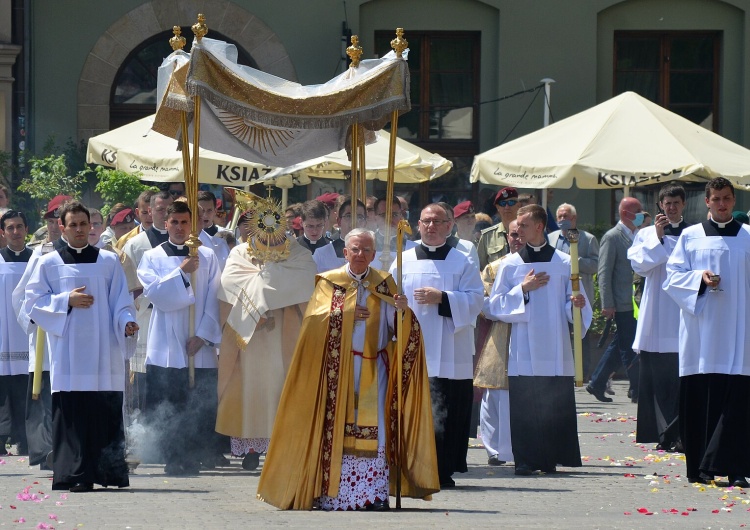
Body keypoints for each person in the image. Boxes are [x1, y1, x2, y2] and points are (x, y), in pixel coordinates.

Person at [257, 228, 439, 510]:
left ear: (374, 255)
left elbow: (399, 331)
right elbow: (313, 323)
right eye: (355, 249)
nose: (360, 255)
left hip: (374, 369)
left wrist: (403, 311)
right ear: (345, 252)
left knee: (375, 427)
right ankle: (334, 494)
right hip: (336, 371)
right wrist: (348, 313)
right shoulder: (330, 282)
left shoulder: (385, 283)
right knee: (336, 427)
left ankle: (373, 494)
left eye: (366, 250)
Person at [24, 200, 138, 492]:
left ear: (91, 227)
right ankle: (76, 474)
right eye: (72, 224)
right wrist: (66, 301)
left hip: (105, 352)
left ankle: (108, 472)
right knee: (73, 414)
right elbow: (33, 304)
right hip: (69, 353)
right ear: (61, 227)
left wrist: (126, 322)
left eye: (83, 224)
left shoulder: (109, 261)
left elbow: (121, 302)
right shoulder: (49, 263)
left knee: (103, 410)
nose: (78, 229)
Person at [488, 205, 591, 475]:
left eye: (523, 225)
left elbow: (574, 304)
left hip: (555, 345)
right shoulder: (511, 264)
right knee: (525, 402)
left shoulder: (564, 262)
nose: (517, 229)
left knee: (554, 401)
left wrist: (577, 304)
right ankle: (526, 459)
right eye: (517, 226)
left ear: (539, 226)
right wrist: (523, 289)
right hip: (522, 345)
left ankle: (551, 458)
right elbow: (495, 305)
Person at [215, 199, 316, 470]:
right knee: (251, 388)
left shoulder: (298, 254)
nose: (270, 237)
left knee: (283, 386)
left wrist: (266, 285)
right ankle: (251, 449)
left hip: (285, 333)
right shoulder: (240, 253)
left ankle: (283, 446)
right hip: (250, 335)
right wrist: (257, 301)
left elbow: (304, 283)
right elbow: (229, 283)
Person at [664, 177, 750, 488]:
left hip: (740, 333)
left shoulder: (748, 237)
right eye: (716, 199)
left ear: (733, 201)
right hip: (701, 334)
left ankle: (737, 467)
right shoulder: (690, 237)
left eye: (727, 198)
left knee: (737, 401)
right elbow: (671, 278)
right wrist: (699, 278)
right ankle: (701, 467)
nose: (722, 203)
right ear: (707, 201)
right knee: (701, 399)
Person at [393, 204, 484, 488]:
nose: (431, 226)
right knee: (416, 407)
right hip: (413, 344)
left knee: (449, 406)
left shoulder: (463, 260)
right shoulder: (402, 259)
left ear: (449, 226)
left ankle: (444, 469)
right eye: (426, 221)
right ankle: (412, 466)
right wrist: (396, 305)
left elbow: (476, 299)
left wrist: (443, 298)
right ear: (418, 225)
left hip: (451, 348)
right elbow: (387, 297)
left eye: (437, 221)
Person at [137, 201, 222, 475]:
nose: (179, 227)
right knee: (170, 402)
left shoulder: (208, 256)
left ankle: (194, 456)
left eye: (185, 222)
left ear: (193, 224)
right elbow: (156, 295)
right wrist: (182, 272)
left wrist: (204, 336)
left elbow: (216, 297)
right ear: (165, 224)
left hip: (199, 343)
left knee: (196, 402)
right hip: (166, 343)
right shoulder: (152, 257)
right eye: (174, 222)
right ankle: (173, 457)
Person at [628, 183, 688, 452]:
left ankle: (682, 434)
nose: (671, 207)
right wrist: (659, 238)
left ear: (683, 205)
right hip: (656, 315)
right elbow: (639, 266)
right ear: (660, 206)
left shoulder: (695, 234)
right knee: (659, 381)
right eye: (667, 203)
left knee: (681, 380)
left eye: (676, 203)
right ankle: (664, 435)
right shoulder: (645, 235)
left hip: (683, 313)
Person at [474, 219, 523, 467]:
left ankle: (522, 446)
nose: (518, 238)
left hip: (530, 335)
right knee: (494, 393)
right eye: (513, 234)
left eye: (521, 233)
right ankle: (495, 450)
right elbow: (483, 305)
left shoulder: (543, 266)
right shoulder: (493, 268)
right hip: (501, 334)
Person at [586, 196, 643, 403]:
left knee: (622, 344)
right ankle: (637, 389)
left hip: (636, 302)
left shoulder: (638, 235)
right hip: (622, 303)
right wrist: (607, 303)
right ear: (626, 214)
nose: (642, 214)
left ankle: (597, 382)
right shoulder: (612, 237)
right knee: (629, 348)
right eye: (638, 211)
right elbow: (604, 272)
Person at [122, 191, 174, 413]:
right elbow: (127, 288)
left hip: (174, 320)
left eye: (168, 209)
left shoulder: (184, 241)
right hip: (146, 318)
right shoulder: (134, 245)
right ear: (150, 211)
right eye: (159, 209)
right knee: (144, 380)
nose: (164, 214)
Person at [548, 203, 600, 377]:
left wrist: (574, 260)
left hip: (579, 295)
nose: (563, 219)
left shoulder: (588, 239)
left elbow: (595, 265)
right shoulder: (550, 238)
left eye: (566, 216)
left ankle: (582, 372)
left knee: (580, 332)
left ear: (574, 219)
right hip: (557, 295)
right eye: (560, 216)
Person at [0, 210, 32, 456]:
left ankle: (26, 438)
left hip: (27, 331)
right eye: (10, 228)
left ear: (26, 229)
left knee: (25, 386)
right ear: (3, 232)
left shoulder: (37, 260)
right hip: (2, 332)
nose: (15, 232)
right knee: (3, 387)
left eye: (19, 227)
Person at [313, 197, 366, 273]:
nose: (354, 221)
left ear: (365, 222)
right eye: (348, 216)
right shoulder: (321, 254)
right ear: (339, 221)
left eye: (360, 217)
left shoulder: (375, 254)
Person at [477, 187, 521, 271]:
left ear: (518, 205)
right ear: (497, 207)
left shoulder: (527, 232)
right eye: (502, 203)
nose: (507, 207)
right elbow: (480, 268)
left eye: (511, 202)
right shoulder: (487, 236)